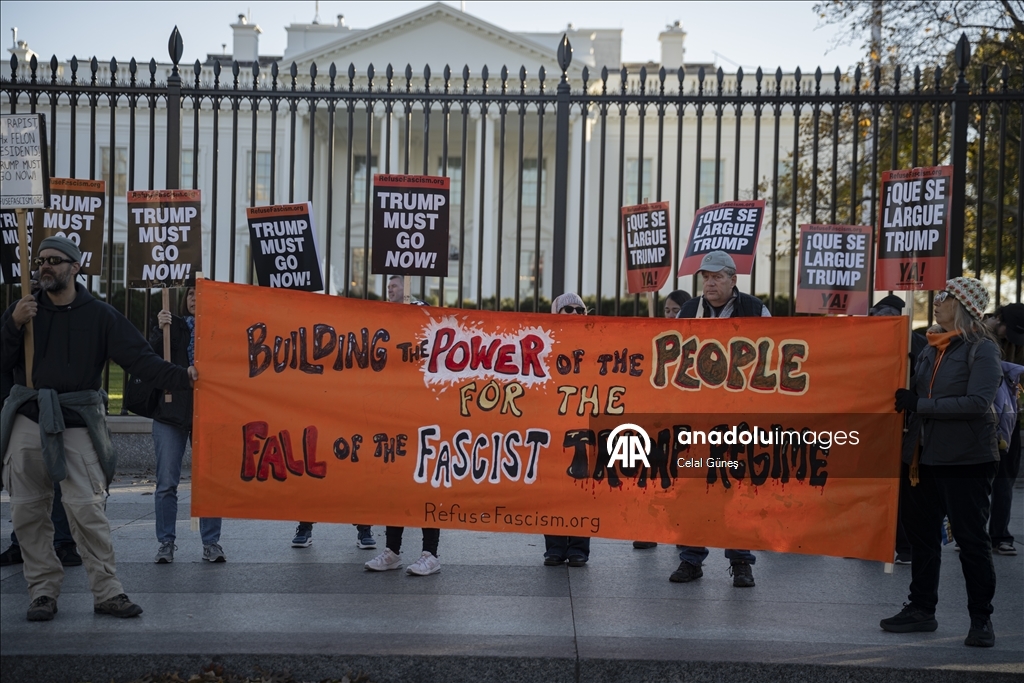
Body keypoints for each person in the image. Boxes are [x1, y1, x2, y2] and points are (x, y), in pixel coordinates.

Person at [0, 237, 195, 622]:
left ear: (75, 267)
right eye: (41, 260)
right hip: (28, 414)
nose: (45, 267)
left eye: (55, 261)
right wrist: (12, 324)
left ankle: (107, 592)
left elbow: (141, 360)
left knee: (87, 509)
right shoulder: (25, 309)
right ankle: (42, 591)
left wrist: (183, 377)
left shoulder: (101, 315)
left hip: (75, 420)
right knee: (26, 511)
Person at [882, 277, 1001, 648]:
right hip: (922, 458)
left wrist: (922, 405)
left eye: (946, 297)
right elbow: (914, 395)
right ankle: (921, 609)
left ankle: (981, 619)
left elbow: (977, 403)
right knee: (922, 539)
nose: (938, 301)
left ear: (963, 306)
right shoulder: (930, 347)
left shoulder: (982, 350)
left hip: (966, 460)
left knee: (971, 541)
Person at [672, 251, 766, 588]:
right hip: (696, 417)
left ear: (733, 280)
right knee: (693, 488)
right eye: (705, 277)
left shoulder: (756, 310)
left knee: (739, 488)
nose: (710, 283)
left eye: (717, 277)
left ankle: (741, 563)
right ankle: (690, 560)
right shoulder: (687, 310)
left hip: (740, 416)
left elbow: (771, 358)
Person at [149, 287, 225, 564]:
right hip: (171, 413)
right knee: (167, 483)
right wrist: (160, 330)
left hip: (208, 413)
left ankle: (211, 543)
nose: (195, 298)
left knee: (208, 482)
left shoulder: (219, 330)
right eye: (191, 293)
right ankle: (166, 543)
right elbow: (151, 359)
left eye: (201, 293)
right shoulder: (173, 326)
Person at [364, 292, 438, 576]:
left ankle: (430, 554)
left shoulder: (439, 357)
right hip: (397, 433)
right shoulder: (393, 354)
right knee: (395, 491)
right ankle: (393, 551)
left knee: (426, 493)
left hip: (427, 435)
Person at [632, 289, 694, 551]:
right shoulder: (653, 337)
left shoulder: (695, 342)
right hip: (656, 419)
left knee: (679, 478)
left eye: (675, 310)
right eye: (667, 310)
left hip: (683, 421)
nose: (670, 315)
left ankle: (680, 531)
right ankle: (649, 529)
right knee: (651, 473)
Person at [870, 294, 927, 565]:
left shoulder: (917, 344)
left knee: (902, 490)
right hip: (876, 426)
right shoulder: (868, 342)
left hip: (902, 426)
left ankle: (904, 546)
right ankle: (875, 543)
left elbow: (923, 382)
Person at [541, 292, 592, 567]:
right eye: (566, 309)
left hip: (583, 425)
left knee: (581, 485)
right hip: (552, 423)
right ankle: (555, 547)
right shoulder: (543, 346)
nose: (573, 314)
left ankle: (579, 548)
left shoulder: (598, 344)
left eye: (578, 309)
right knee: (552, 487)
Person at [984, 303, 1024, 556]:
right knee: (976, 479)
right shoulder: (977, 333)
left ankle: (1000, 535)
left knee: (1005, 479)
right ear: (998, 319)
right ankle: (973, 532)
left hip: (1009, 418)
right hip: (982, 416)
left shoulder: (1018, 341)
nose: (1011, 340)